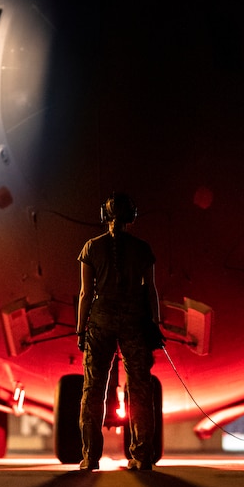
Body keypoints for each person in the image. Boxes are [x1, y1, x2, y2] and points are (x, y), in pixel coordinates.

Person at [76, 193, 161, 471]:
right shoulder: (142, 249)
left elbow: (86, 294)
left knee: (93, 389)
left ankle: (90, 457)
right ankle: (142, 456)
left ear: (104, 216)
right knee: (139, 389)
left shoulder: (91, 248)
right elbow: (150, 291)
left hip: (99, 323)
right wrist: (155, 325)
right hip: (135, 322)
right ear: (131, 217)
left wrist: (80, 330)